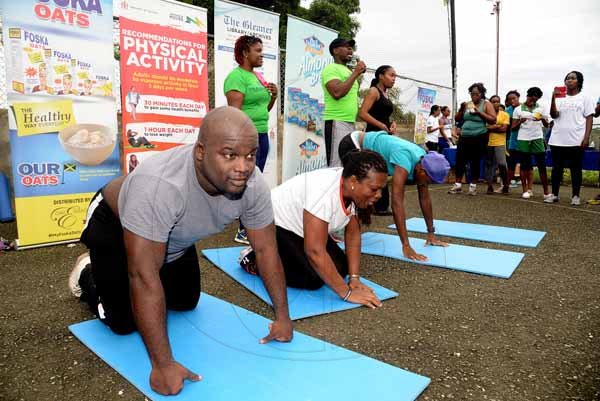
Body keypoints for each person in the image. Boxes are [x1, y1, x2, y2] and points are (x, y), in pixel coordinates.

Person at [68, 107, 293, 396]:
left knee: (185, 301)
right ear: (200, 152)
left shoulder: (253, 184)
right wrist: (162, 365)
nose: (243, 166)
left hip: (170, 238)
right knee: (123, 322)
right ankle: (88, 271)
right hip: (115, 224)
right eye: (229, 154)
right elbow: (143, 275)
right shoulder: (160, 186)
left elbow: (266, 249)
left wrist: (283, 317)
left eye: (250, 155)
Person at [243, 151, 387, 308]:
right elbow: (314, 251)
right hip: (270, 222)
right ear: (353, 181)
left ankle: (278, 255)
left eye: (381, 189)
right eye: (374, 189)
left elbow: (352, 234)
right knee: (312, 278)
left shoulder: (351, 190)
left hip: (299, 227)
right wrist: (347, 293)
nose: (378, 195)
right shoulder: (324, 192)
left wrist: (354, 278)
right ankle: (254, 258)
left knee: (341, 268)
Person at [339, 131, 451, 261]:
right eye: (429, 180)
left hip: (369, 147)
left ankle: (350, 231)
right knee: (355, 194)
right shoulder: (404, 160)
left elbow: (425, 198)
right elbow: (397, 203)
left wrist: (431, 234)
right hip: (354, 143)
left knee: (364, 203)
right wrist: (406, 245)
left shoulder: (423, 162)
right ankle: (341, 234)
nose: (427, 184)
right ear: (421, 170)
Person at [224, 35, 278, 245]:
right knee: (249, 182)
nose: (261, 54)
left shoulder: (258, 77)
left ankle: (242, 220)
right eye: (257, 51)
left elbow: (263, 110)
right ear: (245, 53)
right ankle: (243, 229)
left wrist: (273, 96)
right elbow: (235, 113)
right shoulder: (236, 77)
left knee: (253, 181)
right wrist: (243, 141)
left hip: (261, 135)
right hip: (246, 138)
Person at [547, 71, 595, 205]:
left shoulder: (585, 98)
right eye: (567, 78)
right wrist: (553, 98)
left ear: (579, 82)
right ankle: (555, 195)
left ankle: (575, 196)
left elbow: (589, 118)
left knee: (576, 169)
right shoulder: (559, 98)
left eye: (573, 78)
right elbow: (554, 115)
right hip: (557, 139)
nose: (569, 80)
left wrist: (586, 137)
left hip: (576, 140)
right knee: (557, 169)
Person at [358, 64, 397, 215]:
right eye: (391, 75)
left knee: (383, 169)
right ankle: (373, 205)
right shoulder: (374, 91)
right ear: (381, 76)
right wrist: (381, 125)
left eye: (395, 77)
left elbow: (384, 114)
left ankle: (381, 206)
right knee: (374, 169)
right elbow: (363, 113)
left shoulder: (386, 94)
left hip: (384, 136)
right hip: (373, 135)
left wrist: (391, 123)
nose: (394, 79)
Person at [322, 38, 366, 167]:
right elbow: (337, 93)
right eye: (346, 46)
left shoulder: (348, 71)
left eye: (351, 47)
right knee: (336, 166)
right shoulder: (331, 69)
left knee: (348, 165)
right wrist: (356, 72)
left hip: (350, 123)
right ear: (335, 50)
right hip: (337, 121)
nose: (350, 49)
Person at [448, 83, 496, 195]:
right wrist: (461, 109)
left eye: (476, 94)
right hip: (464, 136)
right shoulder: (467, 104)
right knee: (460, 160)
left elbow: (493, 119)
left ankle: (473, 186)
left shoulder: (486, 104)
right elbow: (457, 118)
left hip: (479, 136)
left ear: (481, 94)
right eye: (472, 93)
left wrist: (479, 112)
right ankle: (458, 185)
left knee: (475, 160)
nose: (474, 96)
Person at [511, 87, 551, 200]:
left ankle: (546, 192)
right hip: (523, 138)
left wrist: (542, 119)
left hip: (537, 138)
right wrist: (520, 121)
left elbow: (547, 124)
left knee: (541, 165)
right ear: (527, 96)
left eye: (536, 99)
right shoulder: (518, 109)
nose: (533, 101)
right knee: (525, 165)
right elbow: (513, 128)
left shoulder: (541, 108)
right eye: (532, 98)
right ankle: (525, 191)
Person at [484, 96, 510, 194]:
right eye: (493, 102)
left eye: (497, 101)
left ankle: (505, 185)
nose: (496, 103)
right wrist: (497, 126)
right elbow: (484, 129)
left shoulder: (505, 115)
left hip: (500, 143)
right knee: (489, 165)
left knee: (502, 164)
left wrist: (491, 127)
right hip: (488, 143)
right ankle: (489, 186)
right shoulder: (486, 115)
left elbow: (504, 129)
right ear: (490, 103)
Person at [505, 90, 522, 190]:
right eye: (509, 99)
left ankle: (520, 179)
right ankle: (510, 181)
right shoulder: (507, 111)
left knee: (523, 160)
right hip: (511, 138)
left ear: (518, 97)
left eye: (514, 98)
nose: (512, 100)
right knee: (511, 160)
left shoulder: (523, 108)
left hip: (524, 137)